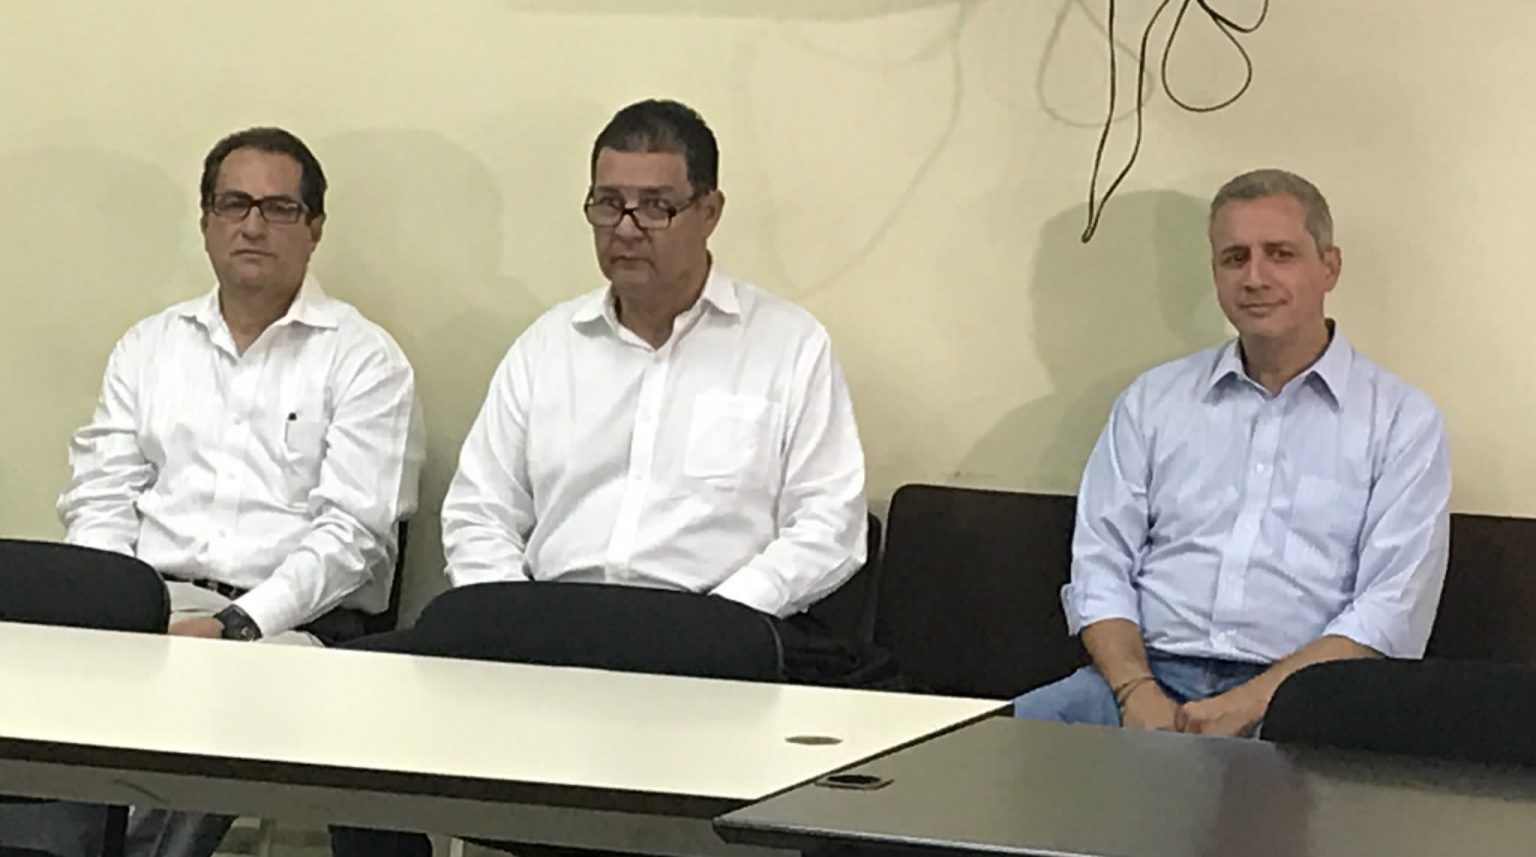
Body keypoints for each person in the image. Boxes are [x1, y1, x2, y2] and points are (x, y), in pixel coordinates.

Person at [330, 98, 880, 857]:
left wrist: (722, 621)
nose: (626, 227)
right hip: (550, 628)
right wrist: (508, 614)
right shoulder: (549, 345)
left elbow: (829, 523)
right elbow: (481, 507)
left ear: (709, 211)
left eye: (656, 206)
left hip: (709, 641)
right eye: (608, 203)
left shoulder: (787, 346)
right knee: (349, 694)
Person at [31, 126, 423, 857]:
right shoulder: (150, 346)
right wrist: (109, 610)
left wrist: (236, 625)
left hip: (285, 627)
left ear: (314, 228)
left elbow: (352, 538)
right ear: (206, 220)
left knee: (216, 703)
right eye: (234, 204)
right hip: (148, 608)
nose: (252, 224)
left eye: (279, 208)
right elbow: (101, 496)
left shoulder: (364, 360)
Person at [1012, 168, 1451, 737]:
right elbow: (1101, 564)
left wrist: (1249, 703)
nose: (1255, 277)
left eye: (1280, 254)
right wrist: (1135, 690)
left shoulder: (1401, 421)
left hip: (1305, 695)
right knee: (990, 749)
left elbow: (1392, 608)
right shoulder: (1153, 401)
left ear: (1330, 267)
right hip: (1142, 680)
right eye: (1235, 258)